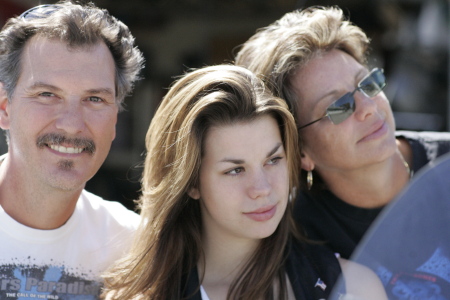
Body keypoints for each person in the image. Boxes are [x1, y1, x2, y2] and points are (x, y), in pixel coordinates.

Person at [102, 65, 386, 300]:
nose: (262, 188)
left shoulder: (353, 289)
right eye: (235, 170)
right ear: (191, 184)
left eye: (273, 160)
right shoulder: (136, 295)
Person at [235, 6, 450, 260]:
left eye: (368, 84)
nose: (369, 108)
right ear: (300, 151)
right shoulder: (292, 237)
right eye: (338, 106)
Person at [0, 1, 144, 299]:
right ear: (4, 107)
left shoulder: (133, 248)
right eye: (47, 94)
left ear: (116, 118)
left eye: (94, 99)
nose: (71, 125)